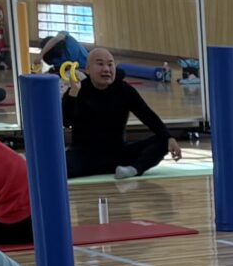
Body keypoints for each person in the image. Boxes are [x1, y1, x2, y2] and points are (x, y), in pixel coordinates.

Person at [61, 44, 178, 176]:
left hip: (118, 156)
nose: (106, 69)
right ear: (87, 69)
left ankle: (133, 169)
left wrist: (169, 137)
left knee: (163, 140)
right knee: (57, 165)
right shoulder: (78, 88)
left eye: (110, 65)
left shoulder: (124, 90)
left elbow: (148, 116)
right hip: (84, 156)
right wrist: (73, 94)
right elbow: (66, 121)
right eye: (100, 64)